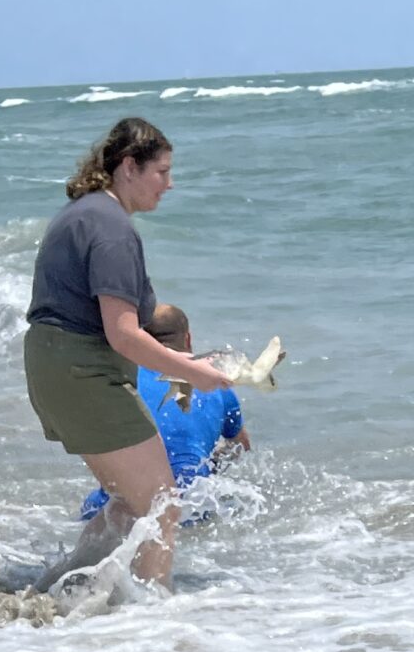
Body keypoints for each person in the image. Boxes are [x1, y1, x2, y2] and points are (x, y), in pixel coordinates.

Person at [22, 117, 235, 589]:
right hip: (82, 371)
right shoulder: (112, 228)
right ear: (128, 167)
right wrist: (192, 372)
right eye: (162, 171)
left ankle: (57, 589)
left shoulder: (87, 212)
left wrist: (186, 361)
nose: (169, 183)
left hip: (57, 364)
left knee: (129, 502)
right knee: (162, 504)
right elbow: (123, 334)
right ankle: (152, 613)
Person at [77, 304, 250, 535]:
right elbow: (240, 446)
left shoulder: (122, 379)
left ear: (143, 340)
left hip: (120, 507)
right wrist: (210, 465)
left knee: (94, 509)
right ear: (188, 338)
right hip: (191, 507)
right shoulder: (216, 385)